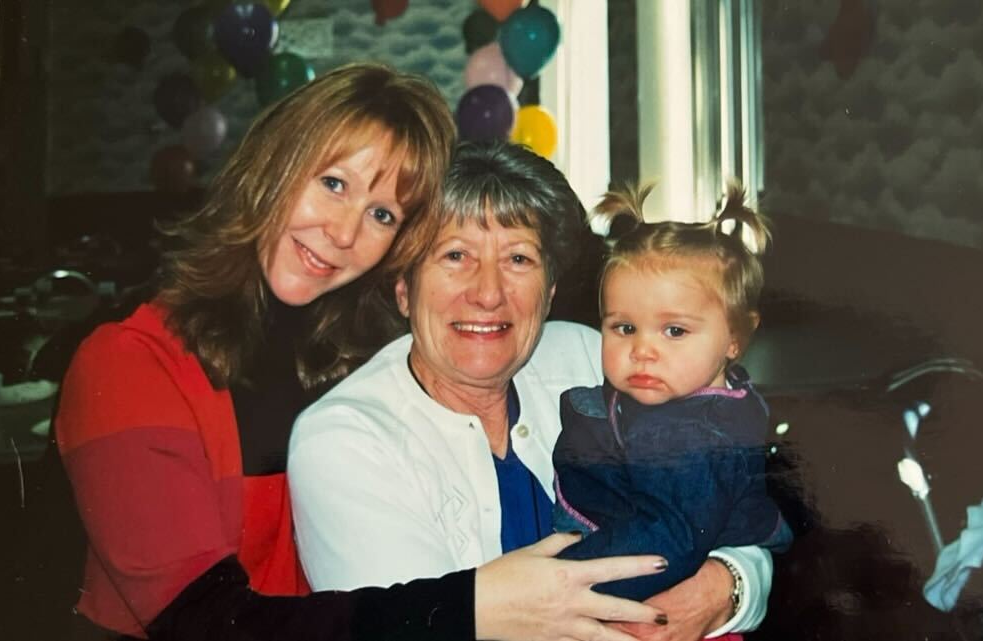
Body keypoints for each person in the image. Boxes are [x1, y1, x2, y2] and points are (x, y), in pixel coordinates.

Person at [54, 64, 667, 641]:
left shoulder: (357, 349)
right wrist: (476, 604)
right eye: (332, 184)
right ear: (272, 165)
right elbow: (204, 626)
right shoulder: (130, 365)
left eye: (381, 213)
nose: (344, 232)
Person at [289, 140, 775, 640]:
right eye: (455, 255)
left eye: (518, 259)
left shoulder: (596, 359)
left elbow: (734, 502)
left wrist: (726, 586)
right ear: (404, 290)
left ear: (550, 291)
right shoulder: (344, 441)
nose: (488, 293)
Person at [552, 183, 793, 604]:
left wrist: (556, 582)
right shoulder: (691, 399)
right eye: (625, 328)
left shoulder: (693, 438)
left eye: (675, 331)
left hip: (640, 587)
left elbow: (663, 543)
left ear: (734, 338)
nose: (642, 350)